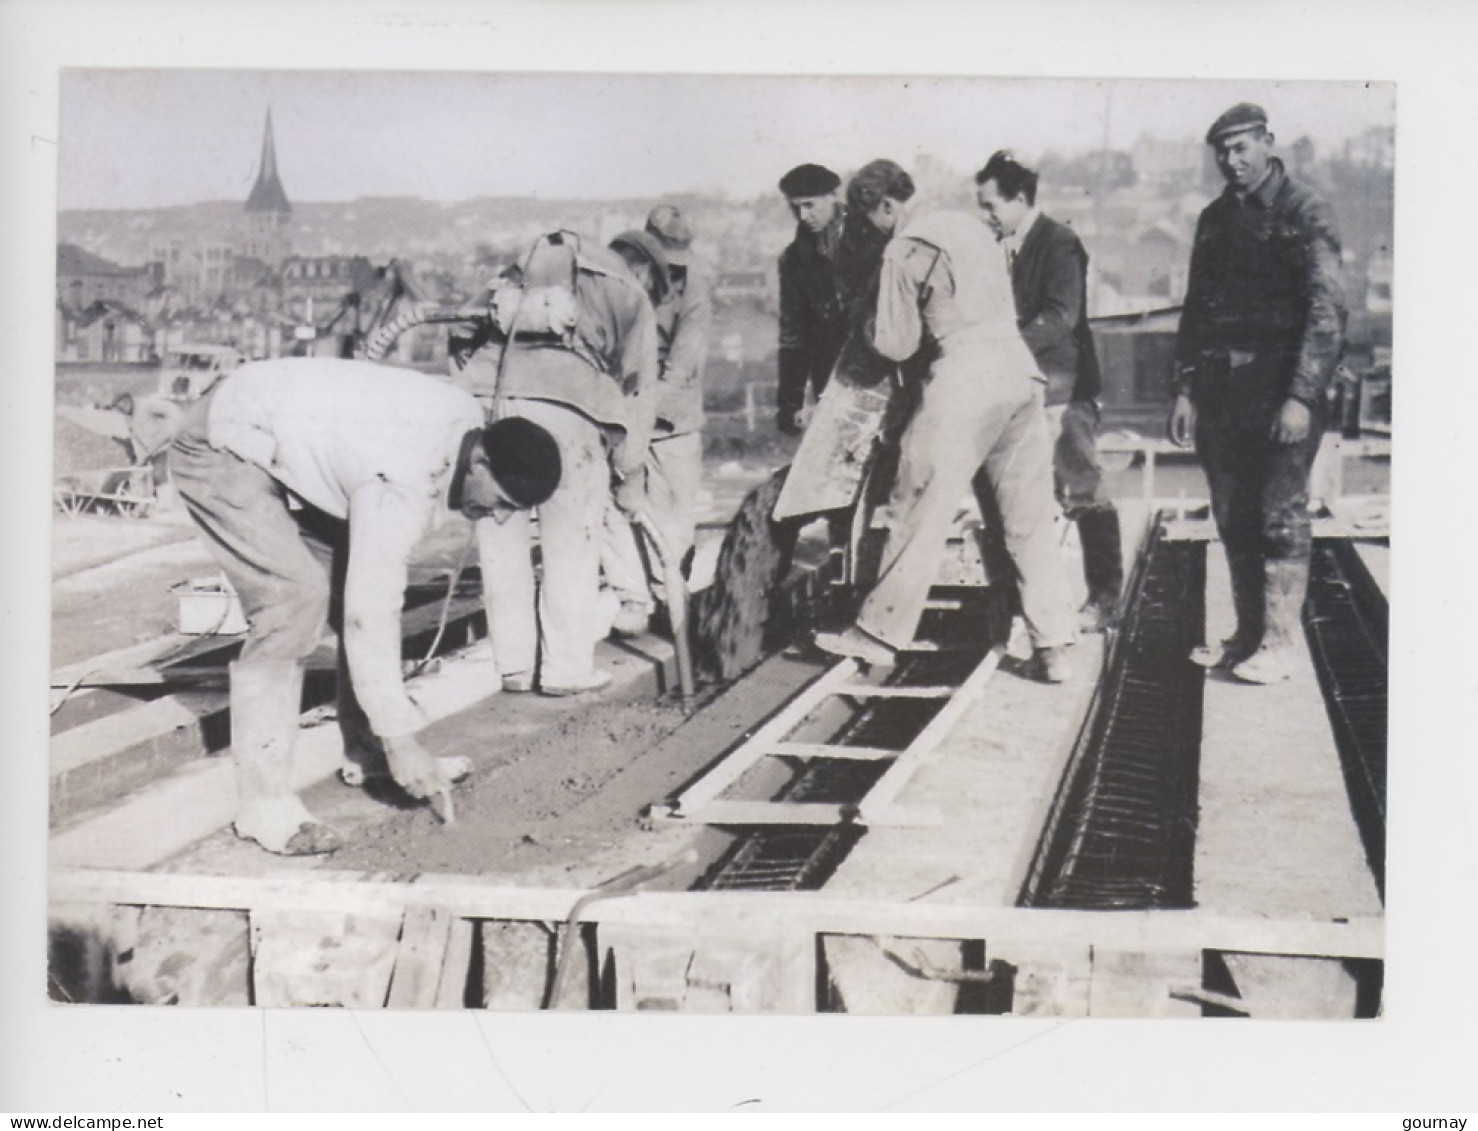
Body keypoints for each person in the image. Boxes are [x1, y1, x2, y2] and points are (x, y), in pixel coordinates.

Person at [169, 357, 562, 855]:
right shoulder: (403, 481)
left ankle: (368, 749)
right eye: (502, 502)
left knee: (358, 581)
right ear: (479, 462)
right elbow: (366, 614)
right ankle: (263, 805)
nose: (499, 518)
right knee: (293, 600)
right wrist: (404, 737)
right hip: (222, 440)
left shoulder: (461, 426)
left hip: (279, 427)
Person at [812, 161, 1077, 682]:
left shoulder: (904, 247)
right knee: (1027, 521)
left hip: (965, 380)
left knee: (916, 505)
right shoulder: (972, 228)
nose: (872, 230)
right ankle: (1056, 646)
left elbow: (897, 343)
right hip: (1020, 374)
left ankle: (878, 633)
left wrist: (867, 322)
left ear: (887, 206)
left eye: (871, 218)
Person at [1168, 103, 1347, 684]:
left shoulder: (1304, 210)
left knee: (1279, 513)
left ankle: (1279, 642)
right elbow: (1196, 311)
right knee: (1232, 514)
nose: (1232, 159)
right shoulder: (1215, 219)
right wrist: (1187, 389)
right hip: (1222, 391)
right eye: (1222, 150)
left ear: (1268, 143)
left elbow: (1326, 309)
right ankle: (1248, 637)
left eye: (1242, 147)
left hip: (1280, 388)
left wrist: (1301, 395)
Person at [460, 231, 660, 696]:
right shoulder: (628, 292)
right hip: (570, 411)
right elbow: (639, 389)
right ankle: (565, 670)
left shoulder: (517, 270)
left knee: (500, 535)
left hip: (493, 397)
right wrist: (629, 472)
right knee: (572, 541)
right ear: (645, 268)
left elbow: (461, 333)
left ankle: (513, 667)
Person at [975, 151, 1124, 632]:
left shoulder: (1059, 243)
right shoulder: (997, 247)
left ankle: (1105, 597)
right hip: (1014, 384)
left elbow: (1062, 316)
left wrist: (1003, 344)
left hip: (1063, 385)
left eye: (991, 205)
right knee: (1014, 497)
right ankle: (1019, 604)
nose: (986, 216)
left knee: (1081, 485)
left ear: (1019, 199)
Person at [600, 209, 712, 633]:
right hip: (624, 408)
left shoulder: (695, 289)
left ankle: (670, 597)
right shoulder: (622, 283)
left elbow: (682, 366)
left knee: (672, 515)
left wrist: (640, 414)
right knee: (616, 503)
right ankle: (632, 597)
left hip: (671, 416)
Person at [775, 163, 848, 436]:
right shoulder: (794, 260)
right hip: (829, 379)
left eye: (809, 205)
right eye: (795, 208)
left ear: (832, 196)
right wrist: (789, 402)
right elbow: (793, 335)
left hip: (878, 375)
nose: (803, 216)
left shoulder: (868, 240)